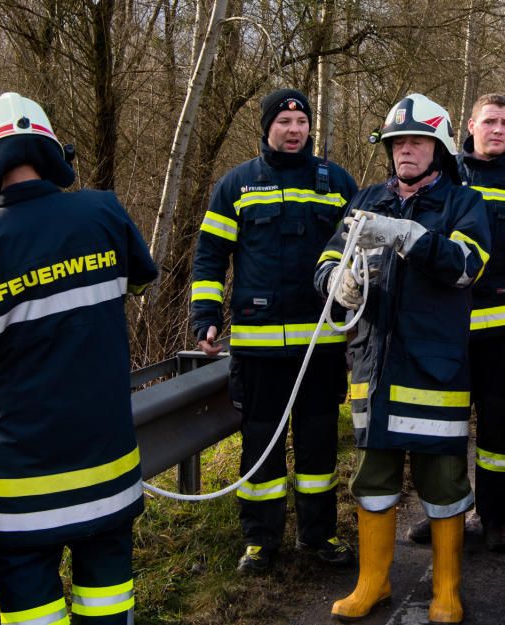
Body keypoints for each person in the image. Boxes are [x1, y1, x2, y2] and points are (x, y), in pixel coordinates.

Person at [0, 92, 158, 624]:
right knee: (108, 608)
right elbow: (138, 279)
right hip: (108, 473)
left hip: (20, 486)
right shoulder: (104, 212)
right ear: (52, 150)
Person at [317, 94, 490, 624]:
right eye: (397, 143)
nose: (404, 151)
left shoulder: (463, 203)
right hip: (373, 365)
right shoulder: (367, 199)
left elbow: (466, 265)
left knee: (443, 483)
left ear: (439, 149)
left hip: (434, 371)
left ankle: (446, 589)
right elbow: (328, 257)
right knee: (372, 480)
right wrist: (337, 281)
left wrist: (409, 237)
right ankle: (373, 583)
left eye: (416, 142)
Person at [191, 88, 359, 573]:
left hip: (320, 348)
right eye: (284, 122)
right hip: (258, 349)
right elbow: (209, 257)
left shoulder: (336, 183)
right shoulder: (237, 185)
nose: (294, 130)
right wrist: (205, 316)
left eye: (301, 122)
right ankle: (260, 542)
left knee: (318, 445)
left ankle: (319, 536)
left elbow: (361, 255)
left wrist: (358, 321)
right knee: (260, 447)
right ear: (267, 128)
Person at [407, 93, 505, 552]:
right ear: (470, 125)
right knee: (441, 425)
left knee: (496, 429)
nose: (499, 130)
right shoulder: (445, 173)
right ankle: (442, 512)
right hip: (445, 326)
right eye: (490, 121)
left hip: (503, 330)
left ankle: (494, 517)